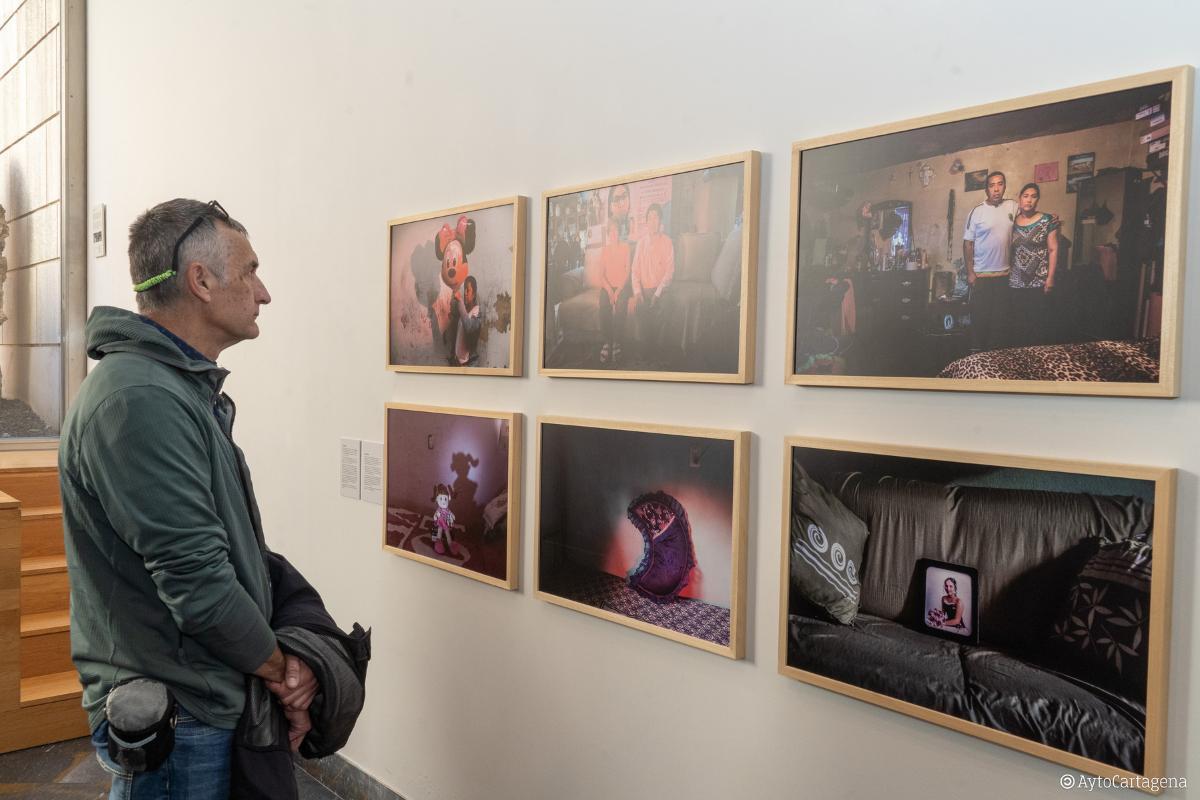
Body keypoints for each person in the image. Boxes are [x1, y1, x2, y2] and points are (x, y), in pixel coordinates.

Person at [58, 199, 317, 799]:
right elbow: (196, 582)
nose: (264, 291)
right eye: (249, 270)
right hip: (182, 713)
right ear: (200, 281)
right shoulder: (139, 399)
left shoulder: (171, 388)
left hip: (199, 694)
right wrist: (285, 673)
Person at [963, 171, 1016, 352]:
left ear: (1004, 187)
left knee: (999, 321)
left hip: (1003, 276)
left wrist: (1050, 218)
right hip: (982, 276)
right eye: (992, 185)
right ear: (987, 189)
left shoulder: (1012, 207)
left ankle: (994, 360)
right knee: (979, 320)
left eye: (1000, 184)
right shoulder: (976, 212)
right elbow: (968, 244)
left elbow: (1029, 214)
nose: (996, 189)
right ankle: (975, 355)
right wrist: (970, 272)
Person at [1009, 182, 1060, 346]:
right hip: (1016, 283)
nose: (1029, 200)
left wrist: (1050, 278)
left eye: (1033, 196)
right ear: (1019, 199)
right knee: (1018, 327)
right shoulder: (1011, 222)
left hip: (1039, 282)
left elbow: (1053, 249)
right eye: (1025, 196)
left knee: (1037, 327)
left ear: (1037, 200)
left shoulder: (1047, 220)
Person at [630, 204, 675, 359]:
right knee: (639, 308)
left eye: (656, 216)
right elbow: (634, 271)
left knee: (668, 306)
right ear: (647, 222)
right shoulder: (641, 243)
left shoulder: (667, 242)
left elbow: (669, 272)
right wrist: (637, 292)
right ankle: (646, 347)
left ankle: (660, 348)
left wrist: (657, 294)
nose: (653, 220)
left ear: (660, 220)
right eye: (650, 217)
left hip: (661, 290)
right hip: (644, 289)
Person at [596, 217, 631, 364]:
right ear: (608, 234)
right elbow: (601, 274)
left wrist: (618, 291)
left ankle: (617, 342)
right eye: (611, 231)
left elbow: (627, 271)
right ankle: (607, 342)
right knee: (603, 305)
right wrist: (610, 291)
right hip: (608, 286)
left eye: (616, 230)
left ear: (620, 231)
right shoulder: (604, 250)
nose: (613, 234)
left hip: (622, 286)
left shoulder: (626, 248)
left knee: (621, 306)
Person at [448, 274, 482, 366]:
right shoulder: (465, 310)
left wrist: (460, 301)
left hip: (469, 364)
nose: (465, 293)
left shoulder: (477, 312)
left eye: (468, 290)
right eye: (464, 290)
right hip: (459, 363)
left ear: (474, 293)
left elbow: (469, 327)